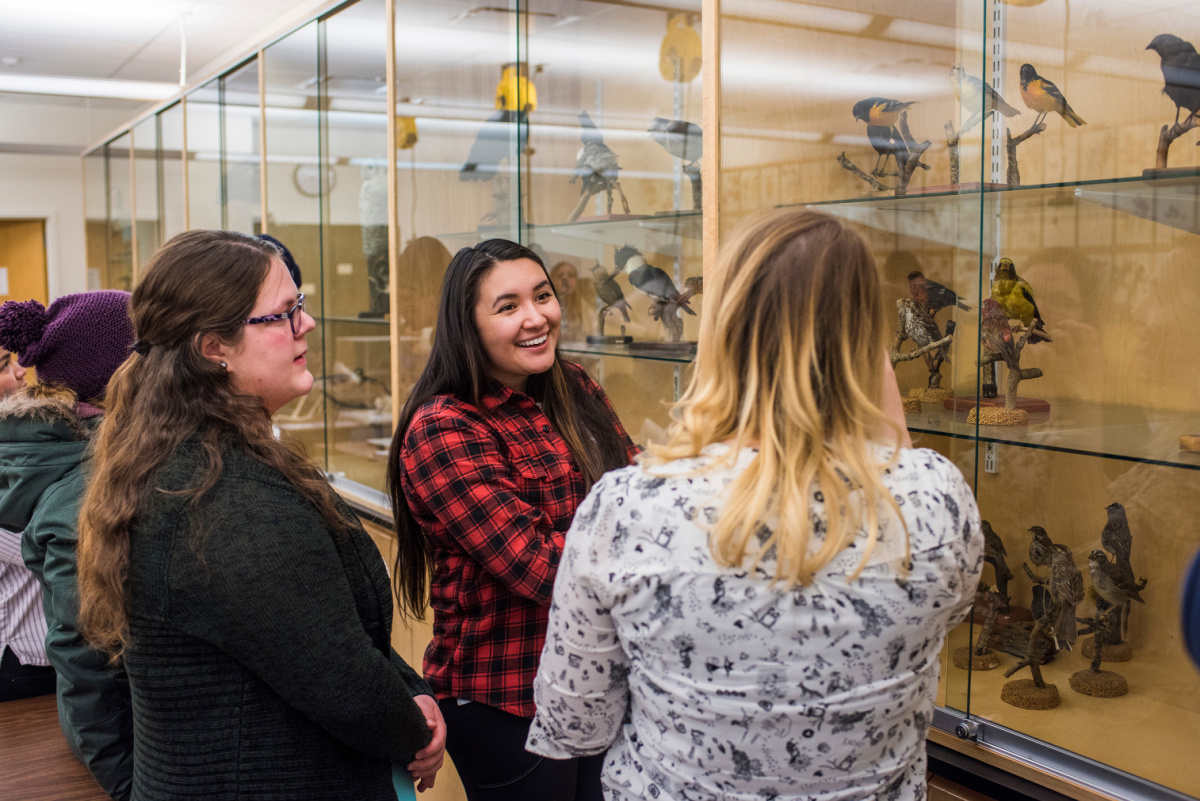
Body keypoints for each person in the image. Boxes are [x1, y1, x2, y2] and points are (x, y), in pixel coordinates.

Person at [525, 208, 985, 801]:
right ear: (867, 339)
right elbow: (939, 605)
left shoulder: (628, 508)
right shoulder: (936, 497)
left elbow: (575, 724)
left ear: (722, 331)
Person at [76, 230, 445, 801]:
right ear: (213, 347)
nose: (307, 324)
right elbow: (340, 679)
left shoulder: (209, 462)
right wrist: (414, 727)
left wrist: (407, 687)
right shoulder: (223, 506)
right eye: (283, 314)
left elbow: (321, 630)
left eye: (301, 305)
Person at [388, 239, 640, 801]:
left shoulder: (575, 387)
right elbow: (540, 567)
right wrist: (647, 542)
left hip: (600, 679)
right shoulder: (445, 427)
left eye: (543, 296)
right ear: (468, 326)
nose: (536, 317)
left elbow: (638, 487)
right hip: (506, 698)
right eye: (508, 306)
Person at [0, 292, 135, 800]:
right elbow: (84, 654)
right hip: (28, 665)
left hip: (61, 685)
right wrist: (126, 782)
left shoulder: (54, 455)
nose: (17, 372)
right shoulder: (77, 481)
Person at [0, 345, 55, 703]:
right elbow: (38, 548)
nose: (22, 371)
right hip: (24, 658)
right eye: (4, 366)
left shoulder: (17, 442)